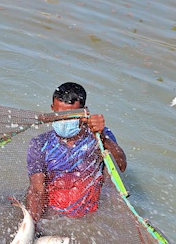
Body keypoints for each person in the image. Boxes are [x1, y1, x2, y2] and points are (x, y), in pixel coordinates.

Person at [25, 82, 126, 226]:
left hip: (87, 219)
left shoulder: (98, 137)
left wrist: (102, 136)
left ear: (83, 112)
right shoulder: (40, 143)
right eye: (60, 115)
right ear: (52, 109)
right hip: (51, 217)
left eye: (71, 115)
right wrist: (33, 225)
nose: (64, 120)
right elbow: (37, 189)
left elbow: (121, 165)